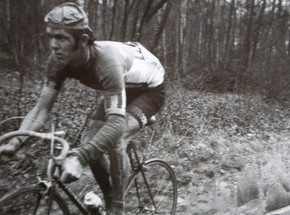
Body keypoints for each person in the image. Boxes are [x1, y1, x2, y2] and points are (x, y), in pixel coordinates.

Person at [0, 2, 165, 215]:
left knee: (117, 137)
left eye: (61, 38)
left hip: (149, 89)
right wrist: (16, 142)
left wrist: (78, 158)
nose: (53, 45)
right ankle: (107, 199)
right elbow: (42, 109)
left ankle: (117, 209)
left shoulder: (106, 62)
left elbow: (115, 124)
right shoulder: (58, 61)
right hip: (120, 86)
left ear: (83, 40)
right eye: (50, 36)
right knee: (91, 145)